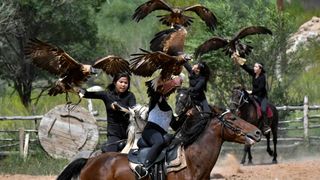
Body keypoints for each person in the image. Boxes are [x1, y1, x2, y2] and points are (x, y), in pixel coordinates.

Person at [79, 72, 136, 152]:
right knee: (110, 154)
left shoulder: (130, 96)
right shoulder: (107, 95)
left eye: (126, 83)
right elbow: (87, 94)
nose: (123, 85)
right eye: (121, 82)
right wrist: (76, 89)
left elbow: (133, 109)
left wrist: (118, 107)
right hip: (114, 134)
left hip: (129, 134)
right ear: (115, 82)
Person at [138, 76, 182, 173]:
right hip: (150, 131)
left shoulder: (170, 110)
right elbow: (154, 91)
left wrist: (186, 115)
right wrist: (167, 77)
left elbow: (175, 126)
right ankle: (144, 167)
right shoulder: (155, 99)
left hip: (162, 133)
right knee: (159, 142)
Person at [232, 54, 271, 134]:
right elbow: (246, 67)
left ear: (260, 69)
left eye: (256, 67)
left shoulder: (262, 77)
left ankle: (265, 125)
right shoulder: (254, 73)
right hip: (254, 96)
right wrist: (238, 60)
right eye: (254, 66)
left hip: (262, 97)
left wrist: (252, 92)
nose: (254, 68)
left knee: (263, 109)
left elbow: (261, 88)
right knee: (244, 103)